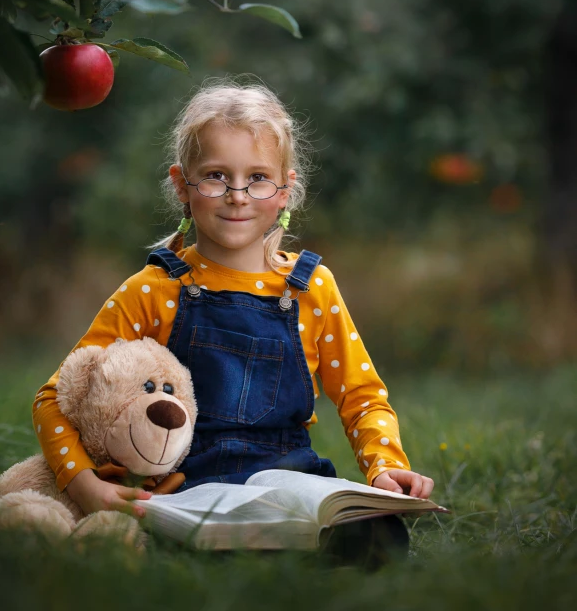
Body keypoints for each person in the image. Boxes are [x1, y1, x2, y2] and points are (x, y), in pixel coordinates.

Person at [34, 78, 434, 561]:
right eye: (217, 176)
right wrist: (81, 484)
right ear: (183, 184)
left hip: (288, 479)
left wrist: (385, 468)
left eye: (259, 177)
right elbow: (56, 396)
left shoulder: (311, 289)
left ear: (286, 190)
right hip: (184, 487)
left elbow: (362, 397)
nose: (238, 195)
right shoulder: (155, 290)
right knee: (166, 546)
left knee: (379, 537)